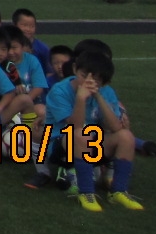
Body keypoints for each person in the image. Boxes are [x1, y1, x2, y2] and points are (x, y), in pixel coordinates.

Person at [46, 49, 143, 212]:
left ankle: (119, 190)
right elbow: (75, 126)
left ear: (104, 83)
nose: (88, 82)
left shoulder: (106, 91)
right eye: (84, 75)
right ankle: (86, 192)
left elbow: (115, 127)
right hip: (62, 146)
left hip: (92, 144)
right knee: (79, 134)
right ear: (75, 69)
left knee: (126, 136)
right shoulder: (60, 90)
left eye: (96, 80)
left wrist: (98, 96)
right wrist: (80, 98)